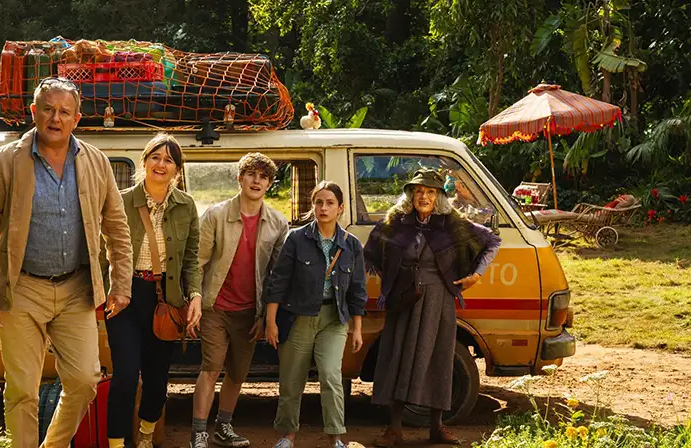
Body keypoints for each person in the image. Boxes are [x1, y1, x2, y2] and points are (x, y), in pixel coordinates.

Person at [0, 76, 134, 448]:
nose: (55, 118)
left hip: (76, 289)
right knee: (22, 389)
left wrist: (121, 284)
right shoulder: (5, 162)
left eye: (64, 112)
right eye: (48, 109)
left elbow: (117, 228)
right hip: (20, 289)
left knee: (85, 381)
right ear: (33, 112)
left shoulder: (96, 162)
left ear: (77, 118)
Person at [364, 169, 501, 447]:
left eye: (430, 191)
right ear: (411, 195)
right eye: (418, 191)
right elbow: (371, 253)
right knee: (398, 359)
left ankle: (437, 427)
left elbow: (492, 241)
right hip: (403, 301)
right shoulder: (396, 222)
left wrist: (476, 275)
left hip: (439, 301)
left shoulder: (452, 224)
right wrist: (392, 278)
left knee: (438, 360)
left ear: (439, 196)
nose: (423, 196)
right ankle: (394, 429)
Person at [105, 132, 203, 448]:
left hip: (165, 300)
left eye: (169, 160)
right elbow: (97, 249)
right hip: (124, 297)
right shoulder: (119, 200)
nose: (161, 164)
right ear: (144, 162)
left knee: (158, 380)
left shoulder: (186, 206)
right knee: (124, 378)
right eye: (155, 157)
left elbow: (191, 259)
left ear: (177, 169)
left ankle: (146, 435)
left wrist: (195, 296)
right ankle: (117, 444)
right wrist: (100, 291)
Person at [190, 153, 289, 448]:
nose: (256, 180)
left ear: (269, 184)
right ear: (240, 178)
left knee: (237, 372)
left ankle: (223, 427)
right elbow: (197, 262)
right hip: (215, 307)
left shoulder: (277, 222)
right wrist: (194, 298)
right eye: (251, 174)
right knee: (211, 367)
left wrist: (265, 315)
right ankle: (198, 433)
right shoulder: (215, 215)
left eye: (263, 176)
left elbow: (276, 275)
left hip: (250, 312)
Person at [264, 181, 367, 448]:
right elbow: (278, 281)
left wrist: (356, 328)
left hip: (333, 319)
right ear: (312, 206)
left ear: (340, 208)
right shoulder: (296, 238)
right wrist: (271, 322)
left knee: (331, 376)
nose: (323, 208)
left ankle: (336, 437)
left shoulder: (351, 244)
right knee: (291, 379)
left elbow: (357, 290)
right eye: (318, 202)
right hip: (297, 317)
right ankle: (287, 436)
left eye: (330, 203)